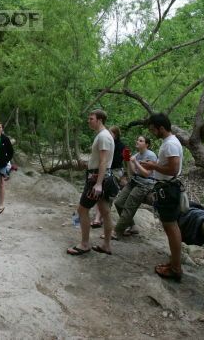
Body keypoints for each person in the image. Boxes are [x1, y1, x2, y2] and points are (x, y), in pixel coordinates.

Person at [140, 113, 184, 281]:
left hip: (169, 189)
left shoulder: (171, 144)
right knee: (170, 227)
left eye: (153, 129)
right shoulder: (169, 143)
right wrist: (154, 166)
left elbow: (173, 169)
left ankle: (176, 268)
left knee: (171, 227)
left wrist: (153, 166)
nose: (152, 133)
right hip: (167, 188)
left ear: (161, 128)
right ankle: (174, 263)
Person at [67, 109, 116, 256]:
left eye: (91, 118)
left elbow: (103, 161)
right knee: (105, 211)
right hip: (101, 176)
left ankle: (85, 244)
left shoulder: (103, 137)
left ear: (100, 120)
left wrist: (98, 183)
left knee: (82, 210)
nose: (89, 121)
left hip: (97, 178)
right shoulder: (104, 136)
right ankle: (106, 245)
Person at [111, 135, 157, 238]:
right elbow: (133, 172)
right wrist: (128, 160)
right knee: (119, 203)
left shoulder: (151, 155)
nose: (137, 141)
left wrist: (135, 161)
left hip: (145, 184)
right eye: (138, 140)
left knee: (128, 207)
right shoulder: (136, 155)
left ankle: (117, 231)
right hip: (134, 181)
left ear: (146, 144)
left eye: (141, 140)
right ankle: (132, 226)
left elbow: (146, 173)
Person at [91, 125, 127, 228]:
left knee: (107, 193)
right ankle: (99, 218)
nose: (108, 135)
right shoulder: (106, 143)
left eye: (111, 133)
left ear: (115, 135)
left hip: (115, 171)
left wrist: (125, 175)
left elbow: (126, 161)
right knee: (101, 193)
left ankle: (99, 218)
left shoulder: (122, 146)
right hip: (106, 170)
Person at [0, 121, 14, 214]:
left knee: (1, 183)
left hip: (2, 164)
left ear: (2, 129)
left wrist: (6, 160)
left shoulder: (5, 139)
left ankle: (1, 204)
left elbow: (11, 152)